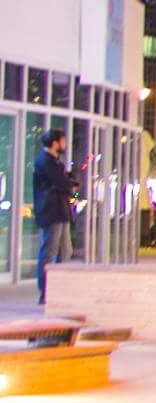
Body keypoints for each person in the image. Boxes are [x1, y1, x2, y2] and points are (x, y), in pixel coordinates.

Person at [31, 129, 76, 304]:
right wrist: (69, 186)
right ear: (55, 142)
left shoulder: (53, 161)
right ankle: (46, 292)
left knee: (65, 250)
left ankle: (58, 287)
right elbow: (62, 184)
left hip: (59, 211)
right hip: (51, 212)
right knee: (49, 252)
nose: (65, 144)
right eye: (63, 141)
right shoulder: (46, 161)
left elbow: (65, 184)